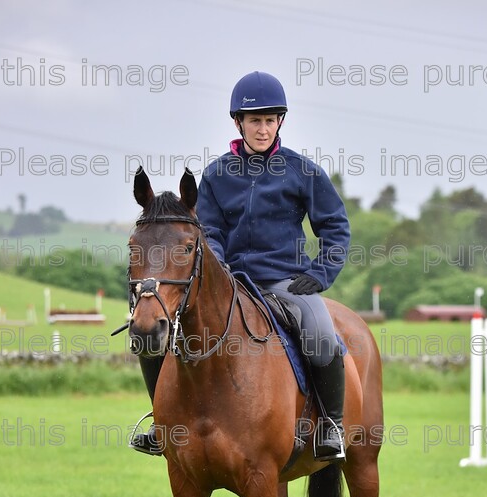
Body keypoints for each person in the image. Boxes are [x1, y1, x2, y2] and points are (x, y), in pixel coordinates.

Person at [132, 71, 350, 460]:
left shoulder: (304, 172)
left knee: (320, 334)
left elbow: (335, 228)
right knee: (155, 332)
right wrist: (221, 271)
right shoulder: (216, 175)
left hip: (286, 281)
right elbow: (209, 231)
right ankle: (159, 422)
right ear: (239, 123)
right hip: (230, 283)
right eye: (255, 121)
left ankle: (331, 425)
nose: (263, 129)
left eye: (269, 121)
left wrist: (317, 276)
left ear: (280, 121)